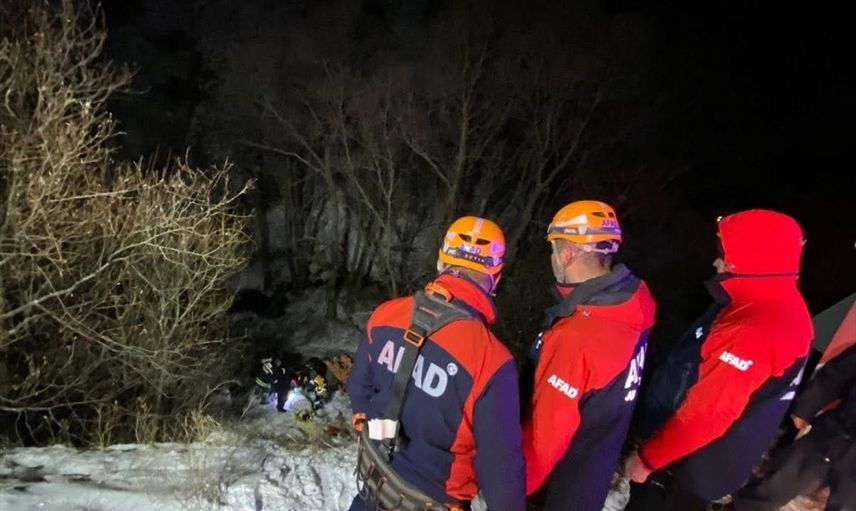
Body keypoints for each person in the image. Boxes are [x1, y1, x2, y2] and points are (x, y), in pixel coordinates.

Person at [625, 209, 813, 511]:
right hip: (717, 460)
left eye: (725, 255)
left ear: (754, 259)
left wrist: (648, 459)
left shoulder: (749, 330)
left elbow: (707, 415)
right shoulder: (780, 306)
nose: (716, 262)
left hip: (689, 464)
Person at [346, 216, 525, 511]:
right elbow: (501, 473)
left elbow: (358, 391)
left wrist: (380, 436)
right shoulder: (491, 361)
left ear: (442, 261)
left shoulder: (386, 315)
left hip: (373, 489)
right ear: (495, 276)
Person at [523, 200, 657, 511]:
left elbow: (544, 441)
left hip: (561, 486)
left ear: (567, 253)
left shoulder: (577, 336)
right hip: (594, 471)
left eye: (553, 248)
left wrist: (500, 493)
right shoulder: (630, 305)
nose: (552, 257)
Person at [733, 343, 856, 511]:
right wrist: (806, 408)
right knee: (777, 482)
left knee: (845, 504)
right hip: (833, 433)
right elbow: (835, 375)